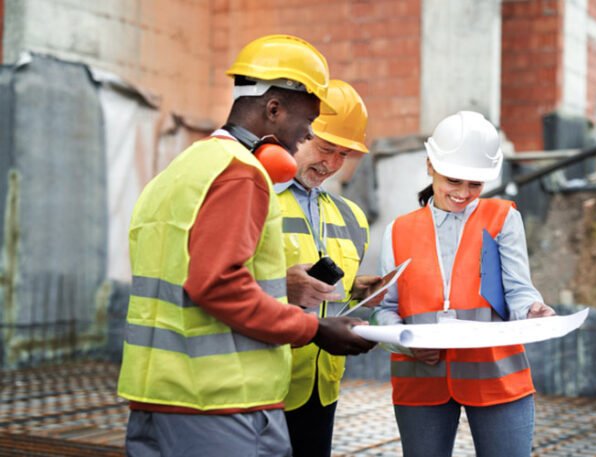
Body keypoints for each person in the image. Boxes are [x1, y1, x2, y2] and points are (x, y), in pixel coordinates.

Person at [116, 35, 375, 457]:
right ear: (274, 108)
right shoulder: (241, 173)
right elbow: (217, 284)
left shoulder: (181, 170)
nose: (303, 138)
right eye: (307, 125)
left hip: (156, 397)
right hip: (220, 404)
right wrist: (315, 327)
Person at [372, 111, 556, 457]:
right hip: (421, 381)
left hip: (497, 376)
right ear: (430, 166)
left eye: (475, 184)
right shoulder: (398, 230)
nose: (464, 193)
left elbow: (518, 290)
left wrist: (532, 310)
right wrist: (406, 344)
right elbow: (386, 310)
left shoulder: (503, 218)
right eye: (453, 181)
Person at [275, 79, 383, 457]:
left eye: (343, 155)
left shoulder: (351, 216)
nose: (332, 164)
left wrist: (356, 289)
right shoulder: (253, 197)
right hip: (264, 387)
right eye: (325, 148)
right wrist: (280, 286)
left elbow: (328, 291)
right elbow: (224, 281)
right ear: (299, 131)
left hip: (322, 386)